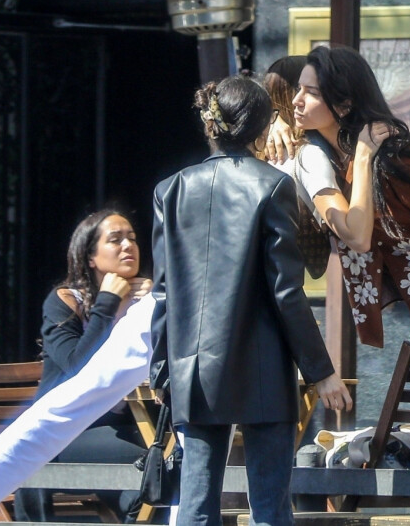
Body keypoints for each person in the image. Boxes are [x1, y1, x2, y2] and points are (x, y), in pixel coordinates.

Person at [267, 45, 410, 515]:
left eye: (309, 92)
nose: (297, 100)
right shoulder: (331, 155)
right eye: (297, 91)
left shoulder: (396, 152)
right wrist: (277, 121)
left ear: (342, 104)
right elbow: (256, 110)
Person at [149, 73, 353, 526]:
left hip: (193, 365)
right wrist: (321, 372)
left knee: (196, 505)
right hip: (262, 368)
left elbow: (163, 293)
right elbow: (286, 292)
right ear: (263, 129)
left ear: (210, 126)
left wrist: (161, 369)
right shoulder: (273, 187)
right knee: (269, 509)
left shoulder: (170, 190)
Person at [0, 210, 157, 526]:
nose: (128, 246)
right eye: (115, 239)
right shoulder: (66, 301)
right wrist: (109, 305)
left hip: (129, 423)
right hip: (71, 430)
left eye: (132, 238)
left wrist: (148, 306)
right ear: (91, 257)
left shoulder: (147, 301)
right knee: (149, 464)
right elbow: (74, 367)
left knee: (159, 459)